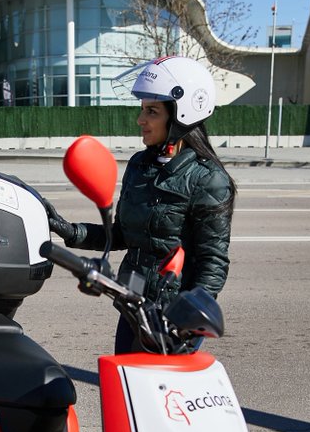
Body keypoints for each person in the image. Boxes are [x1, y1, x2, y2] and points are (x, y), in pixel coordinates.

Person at [46, 56, 236, 353]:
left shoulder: (208, 179)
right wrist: (69, 231)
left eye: (152, 111)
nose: (141, 120)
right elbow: (121, 234)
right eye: (142, 109)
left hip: (173, 322)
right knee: (126, 390)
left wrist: (184, 320)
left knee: (165, 397)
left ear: (181, 114)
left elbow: (213, 263)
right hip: (133, 306)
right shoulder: (139, 164)